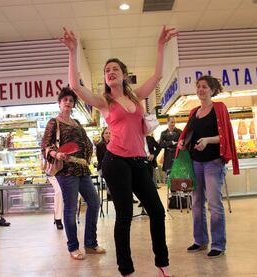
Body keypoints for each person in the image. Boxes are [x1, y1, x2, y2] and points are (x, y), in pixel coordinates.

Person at [61, 25, 177, 277]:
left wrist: (161, 45)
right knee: (124, 215)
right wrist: (72, 51)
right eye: (106, 70)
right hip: (116, 162)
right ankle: (126, 270)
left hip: (138, 162)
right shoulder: (105, 102)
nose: (110, 72)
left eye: (115, 69)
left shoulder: (136, 98)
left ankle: (162, 263)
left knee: (157, 211)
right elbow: (76, 87)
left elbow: (157, 75)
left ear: (124, 75)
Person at [177, 75, 239, 258]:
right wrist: (183, 143)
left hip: (213, 162)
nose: (200, 90)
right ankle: (200, 240)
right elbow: (189, 135)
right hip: (195, 162)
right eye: (198, 87)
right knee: (196, 203)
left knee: (214, 203)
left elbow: (225, 137)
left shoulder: (219, 108)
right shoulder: (194, 112)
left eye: (204, 86)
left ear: (212, 90)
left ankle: (218, 244)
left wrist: (207, 141)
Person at [41, 87, 105, 260]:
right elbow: (45, 145)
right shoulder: (54, 122)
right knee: (70, 208)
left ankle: (90, 243)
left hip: (83, 169)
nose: (68, 103)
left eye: (71, 100)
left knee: (94, 202)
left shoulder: (76, 122)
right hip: (66, 171)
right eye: (65, 100)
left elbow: (86, 142)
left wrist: (89, 153)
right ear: (59, 103)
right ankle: (73, 247)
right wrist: (56, 154)